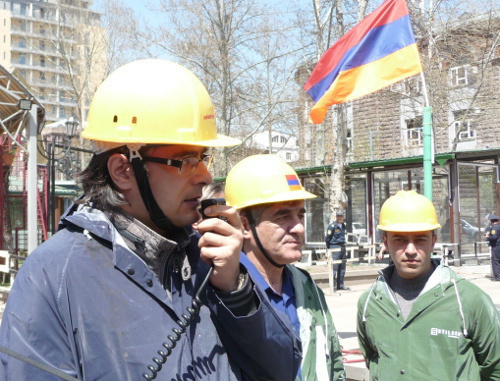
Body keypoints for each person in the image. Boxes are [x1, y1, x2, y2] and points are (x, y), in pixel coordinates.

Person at [0, 60, 301, 380]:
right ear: (123, 170)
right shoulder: (52, 276)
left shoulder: (211, 259)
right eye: (185, 160)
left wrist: (235, 290)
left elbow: (282, 370)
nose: (205, 176)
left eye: (203, 158)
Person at [225, 154, 346, 381]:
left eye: (300, 214)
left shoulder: (308, 289)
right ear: (244, 225)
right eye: (282, 217)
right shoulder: (225, 292)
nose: (299, 227)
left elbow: (334, 364)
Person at [357, 190, 500, 380]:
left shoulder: (468, 300)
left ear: (433, 241)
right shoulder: (370, 303)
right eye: (399, 239)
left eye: (420, 239)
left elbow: (495, 368)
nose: (410, 250)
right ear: (385, 242)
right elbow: (374, 361)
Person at [325, 210, 350, 291]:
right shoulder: (332, 226)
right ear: (336, 217)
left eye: (341, 216)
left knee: (342, 267)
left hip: (342, 247)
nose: (340, 218)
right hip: (334, 247)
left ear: (343, 217)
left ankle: (340, 285)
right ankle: (333, 286)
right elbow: (327, 239)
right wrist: (329, 248)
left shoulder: (343, 226)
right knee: (334, 267)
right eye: (338, 216)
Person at [485, 213, 500, 281]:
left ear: (491, 221)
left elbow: (494, 237)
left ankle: (498, 277)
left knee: (496, 261)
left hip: (496, 246)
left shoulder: (494, 228)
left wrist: (488, 237)